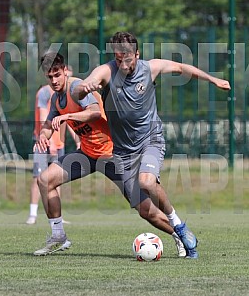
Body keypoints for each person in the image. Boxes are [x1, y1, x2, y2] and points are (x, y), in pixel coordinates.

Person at [73, 31, 231, 259]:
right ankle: (181, 238)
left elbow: (181, 68)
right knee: (145, 211)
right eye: (118, 60)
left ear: (137, 54)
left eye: (127, 60)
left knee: (146, 181)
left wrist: (213, 79)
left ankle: (179, 225)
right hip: (123, 154)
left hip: (150, 139)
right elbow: (82, 86)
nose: (123, 65)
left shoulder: (151, 68)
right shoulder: (107, 71)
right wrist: (84, 88)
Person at [33, 52, 186, 258]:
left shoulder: (76, 88)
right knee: (45, 180)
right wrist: (43, 136)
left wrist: (68, 116)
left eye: (57, 75)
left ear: (65, 71)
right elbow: (49, 124)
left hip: (113, 155)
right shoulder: (56, 98)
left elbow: (95, 111)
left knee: (146, 211)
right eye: (49, 77)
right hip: (87, 156)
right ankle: (58, 235)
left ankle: (179, 235)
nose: (54, 81)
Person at [26, 75, 80, 225]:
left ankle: (57, 217)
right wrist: (49, 143)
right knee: (38, 177)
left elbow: (69, 121)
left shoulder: (67, 95)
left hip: (59, 144)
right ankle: (33, 214)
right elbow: (44, 120)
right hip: (43, 143)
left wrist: (77, 140)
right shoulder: (44, 93)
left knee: (56, 179)